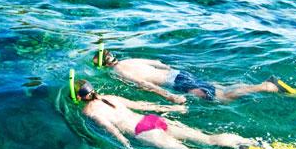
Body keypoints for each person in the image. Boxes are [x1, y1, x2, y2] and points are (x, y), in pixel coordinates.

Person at [73, 79, 251, 149]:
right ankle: (246, 141)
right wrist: (170, 108)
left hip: (142, 131)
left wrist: (126, 146)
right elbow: (141, 105)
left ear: (78, 97)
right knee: (208, 138)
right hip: (152, 120)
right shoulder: (110, 97)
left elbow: (110, 129)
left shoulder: (89, 111)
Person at [92, 48, 281, 104]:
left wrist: (169, 96)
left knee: (221, 99)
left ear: (103, 66)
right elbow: (158, 63)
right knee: (219, 88)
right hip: (178, 73)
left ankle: (264, 87)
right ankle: (259, 86)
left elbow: (145, 84)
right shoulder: (130, 60)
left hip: (174, 83)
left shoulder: (120, 72)